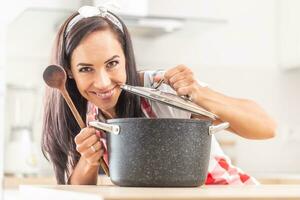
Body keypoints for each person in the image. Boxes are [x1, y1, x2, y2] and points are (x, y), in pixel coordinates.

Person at [42, 5, 276, 185]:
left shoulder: (162, 88)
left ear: (127, 58)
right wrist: (88, 160)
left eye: (112, 63)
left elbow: (267, 127)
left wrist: (198, 94)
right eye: (85, 69)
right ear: (70, 72)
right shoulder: (83, 113)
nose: (102, 82)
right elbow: (77, 193)